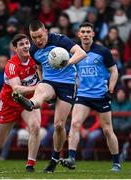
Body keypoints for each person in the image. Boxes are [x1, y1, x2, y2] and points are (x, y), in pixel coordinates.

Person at [19, 20, 86, 173]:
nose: (37, 40)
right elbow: (39, 67)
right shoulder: (34, 50)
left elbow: (81, 53)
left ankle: (54, 159)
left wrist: (66, 62)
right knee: (41, 89)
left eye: (40, 36)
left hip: (67, 84)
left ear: (46, 32)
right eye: (34, 37)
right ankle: (31, 103)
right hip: (49, 81)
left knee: (58, 125)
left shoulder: (60, 40)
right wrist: (42, 79)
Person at [60, 22, 121, 172]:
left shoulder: (103, 52)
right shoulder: (74, 53)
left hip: (101, 95)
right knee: (74, 124)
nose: (86, 34)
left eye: (88, 32)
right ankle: (72, 158)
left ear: (93, 34)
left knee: (107, 130)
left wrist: (111, 91)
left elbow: (114, 71)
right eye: (83, 32)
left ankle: (116, 163)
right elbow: (71, 72)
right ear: (79, 35)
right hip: (83, 96)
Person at [0, 34, 41, 172]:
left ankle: (30, 164)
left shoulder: (36, 57)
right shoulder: (11, 66)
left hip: (28, 101)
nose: (26, 46)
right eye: (21, 44)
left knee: (35, 126)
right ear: (15, 48)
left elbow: (42, 74)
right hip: (10, 102)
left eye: (27, 43)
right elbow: (17, 89)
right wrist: (38, 88)